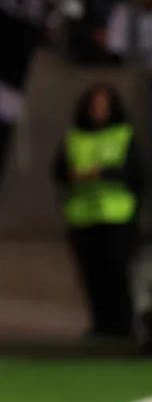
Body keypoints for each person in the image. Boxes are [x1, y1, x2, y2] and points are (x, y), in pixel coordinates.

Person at [52, 84, 142, 339]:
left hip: (115, 217)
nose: (99, 111)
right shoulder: (74, 137)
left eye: (104, 106)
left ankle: (123, 329)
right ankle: (101, 327)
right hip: (82, 216)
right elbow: (58, 171)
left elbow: (135, 174)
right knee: (93, 277)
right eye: (95, 105)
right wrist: (73, 175)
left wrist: (101, 172)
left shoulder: (123, 134)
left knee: (117, 276)